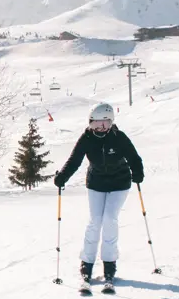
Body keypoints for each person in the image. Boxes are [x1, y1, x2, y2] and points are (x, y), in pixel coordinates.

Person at [53, 103, 144, 288]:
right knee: (95, 220)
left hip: (120, 183)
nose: (101, 127)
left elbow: (134, 157)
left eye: (106, 123)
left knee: (110, 219)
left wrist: (138, 172)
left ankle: (109, 265)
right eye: (97, 123)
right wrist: (62, 176)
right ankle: (86, 264)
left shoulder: (119, 137)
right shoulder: (86, 138)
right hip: (96, 183)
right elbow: (74, 160)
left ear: (111, 123)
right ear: (90, 123)